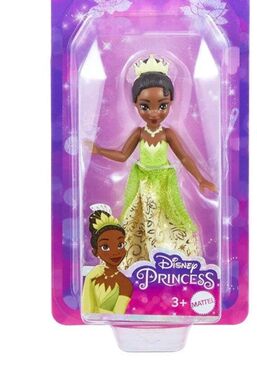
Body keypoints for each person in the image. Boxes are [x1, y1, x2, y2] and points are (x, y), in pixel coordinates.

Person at [87, 55, 216, 268]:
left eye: (162, 106)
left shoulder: (168, 134)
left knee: (168, 217)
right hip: (143, 182)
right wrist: (99, 150)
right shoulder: (139, 133)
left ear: (170, 103)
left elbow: (184, 157)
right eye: (145, 106)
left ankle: (172, 257)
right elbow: (123, 155)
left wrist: (201, 178)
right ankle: (138, 258)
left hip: (164, 183)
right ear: (135, 105)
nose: (154, 113)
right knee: (137, 219)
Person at [81, 208, 133, 314]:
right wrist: (89, 280)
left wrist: (94, 310)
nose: (115, 252)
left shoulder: (125, 283)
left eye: (120, 245)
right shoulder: (93, 275)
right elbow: (85, 311)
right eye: (105, 247)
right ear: (95, 252)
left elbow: (117, 316)